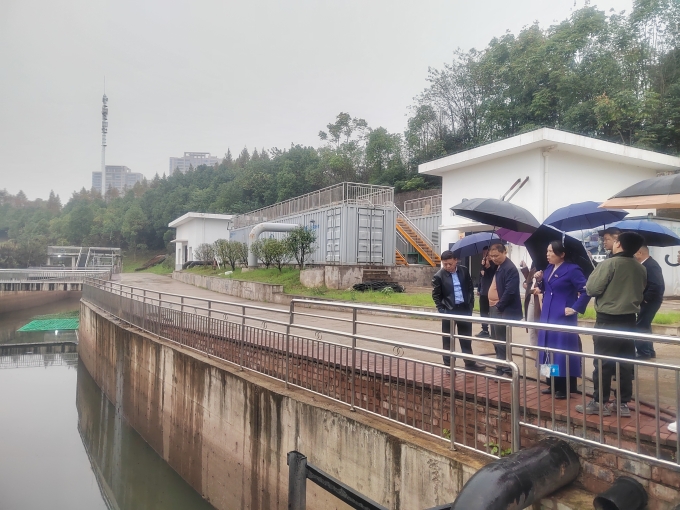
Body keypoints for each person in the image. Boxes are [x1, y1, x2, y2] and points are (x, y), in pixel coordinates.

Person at [576, 232, 646, 418]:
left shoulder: (609, 264)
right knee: (624, 364)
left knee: (603, 362)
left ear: (619, 244)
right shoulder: (640, 268)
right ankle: (622, 403)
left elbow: (592, 289)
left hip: (608, 320)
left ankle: (599, 402)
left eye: (615, 241)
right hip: (629, 320)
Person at [533, 241, 591, 399]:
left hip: (562, 316)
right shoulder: (548, 268)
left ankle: (564, 387)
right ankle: (551, 383)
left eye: (551, 251)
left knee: (561, 350)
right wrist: (540, 280)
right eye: (547, 251)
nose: (548, 254)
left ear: (562, 254)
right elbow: (546, 289)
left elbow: (586, 291)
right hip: (547, 314)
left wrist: (575, 308)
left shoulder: (572, 269)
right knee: (547, 348)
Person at [432, 250, 486, 372]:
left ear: (456, 260)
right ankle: (449, 365)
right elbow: (436, 295)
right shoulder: (439, 276)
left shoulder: (464, 271)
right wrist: (442, 310)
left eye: (450, 264)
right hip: (449, 311)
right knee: (448, 339)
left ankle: (469, 363)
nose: (447, 266)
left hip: (464, 309)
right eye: (444, 264)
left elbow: (470, 288)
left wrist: (470, 305)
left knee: (466, 338)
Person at [486, 243, 523, 375]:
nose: (494, 258)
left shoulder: (510, 268)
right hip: (494, 307)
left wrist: (499, 306)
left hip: (501, 309)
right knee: (495, 338)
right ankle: (502, 366)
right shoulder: (499, 266)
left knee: (501, 340)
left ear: (504, 253)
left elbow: (510, 291)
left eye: (496, 256)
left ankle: (503, 368)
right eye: (491, 256)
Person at [634, 245, 665, 359]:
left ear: (640, 253)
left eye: (634, 252)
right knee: (645, 325)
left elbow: (657, 284)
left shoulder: (651, 265)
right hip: (649, 300)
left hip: (651, 301)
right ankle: (649, 351)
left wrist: (645, 299)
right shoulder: (646, 264)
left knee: (640, 326)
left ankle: (643, 353)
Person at [476, 247, 496, 339]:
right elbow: (481, 277)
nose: (485, 255)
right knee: (483, 312)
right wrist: (479, 288)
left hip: (491, 291)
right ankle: (484, 330)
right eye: (484, 253)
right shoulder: (483, 263)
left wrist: (488, 267)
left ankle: (494, 331)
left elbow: (492, 277)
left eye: (487, 253)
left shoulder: (494, 264)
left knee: (491, 312)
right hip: (483, 291)